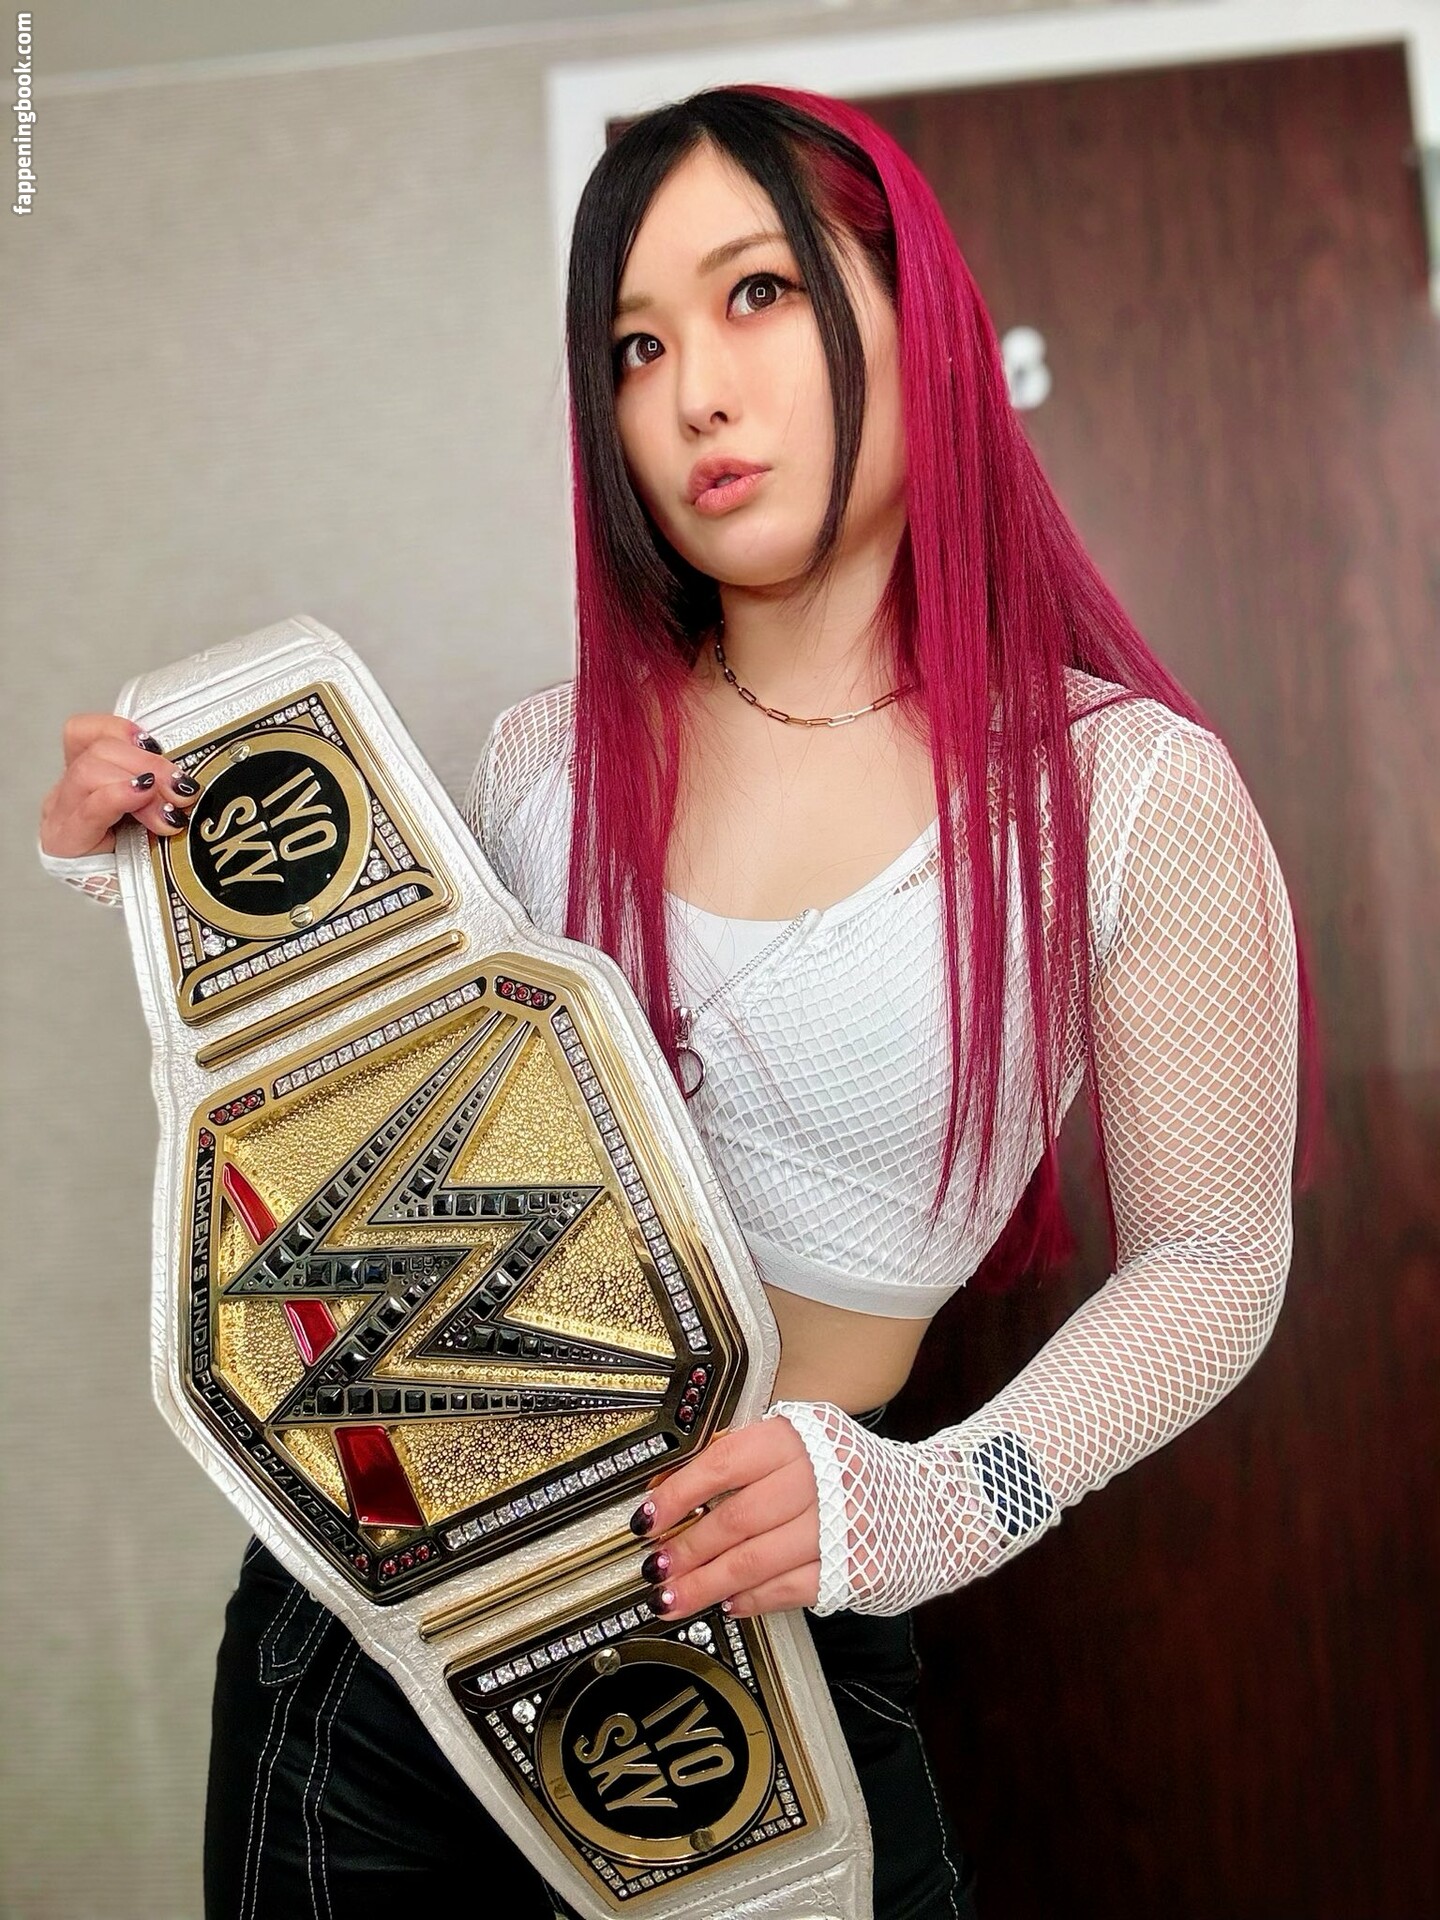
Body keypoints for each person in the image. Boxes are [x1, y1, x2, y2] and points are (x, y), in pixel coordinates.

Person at [37, 84, 1313, 1920]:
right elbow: (349, 1131)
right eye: (634, 346)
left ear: (921, 317)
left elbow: (1216, 1259)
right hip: (378, 1646)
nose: (694, 392)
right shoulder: (547, 763)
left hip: (768, 1649)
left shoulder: (1125, 792)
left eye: (758, 294)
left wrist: (949, 1501)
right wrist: (157, 862)